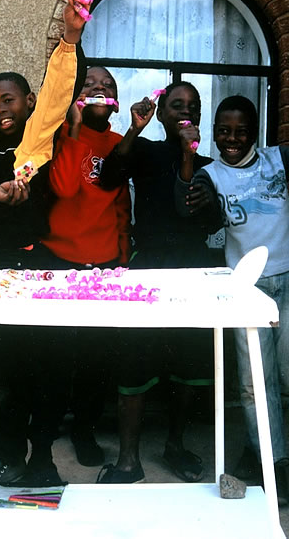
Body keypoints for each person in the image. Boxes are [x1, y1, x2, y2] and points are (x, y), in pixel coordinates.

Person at [0, 0, 87, 487]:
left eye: (8, 100)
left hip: (38, 273)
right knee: (1, 375)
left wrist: (69, 40)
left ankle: (43, 456)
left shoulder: (39, 145)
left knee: (46, 371)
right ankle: (9, 454)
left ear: (28, 104)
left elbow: (57, 95)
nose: (0, 109)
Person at [175, 95, 289, 506]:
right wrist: (195, 184)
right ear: (216, 133)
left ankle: (254, 450)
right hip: (247, 288)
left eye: (241, 131)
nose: (232, 139)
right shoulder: (211, 175)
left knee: (282, 382)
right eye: (224, 131)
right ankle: (275, 467)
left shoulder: (278, 160)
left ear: (254, 131)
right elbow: (193, 208)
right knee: (251, 383)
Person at [96, 81, 222, 484]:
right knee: (134, 363)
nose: (186, 112)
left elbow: (209, 221)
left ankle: (175, 445)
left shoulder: (206, 167)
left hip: (192, 274)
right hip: (147, 269)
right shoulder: (146, 152)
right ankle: (128, 461)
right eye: (177, 105)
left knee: (188, 366)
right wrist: (133, 129)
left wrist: (204, 192)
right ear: (163, 113)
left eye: (193, 106)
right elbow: (109, 176)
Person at [37, 66, 132, 467]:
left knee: (97, 357)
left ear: (114, 102)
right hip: (59, 259)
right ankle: (48, 425)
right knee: (57, 354)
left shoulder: (119, 142)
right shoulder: (61, 136)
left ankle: (84, 430)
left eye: (106, 86)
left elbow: (121, 208)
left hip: (104, 264)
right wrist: (73, 131)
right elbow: (64, 188)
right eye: (89, 85)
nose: (98, 89)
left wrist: (123, 262)